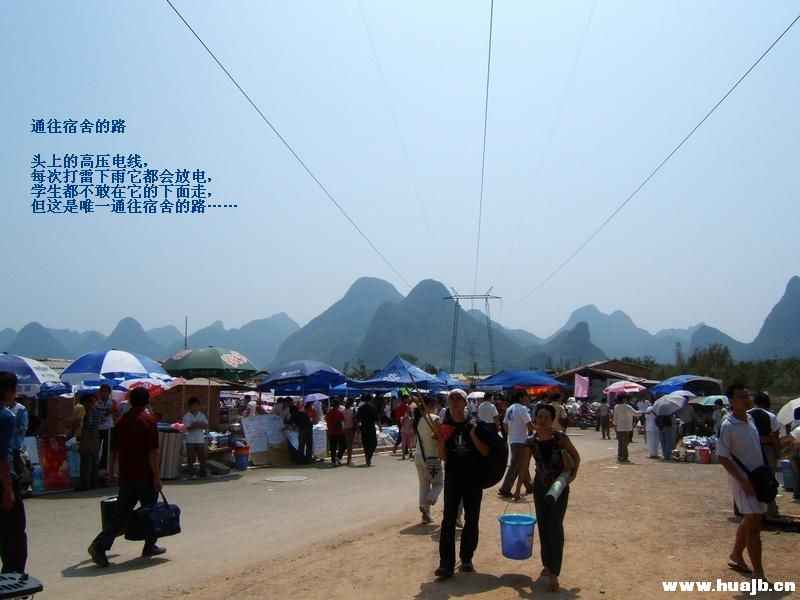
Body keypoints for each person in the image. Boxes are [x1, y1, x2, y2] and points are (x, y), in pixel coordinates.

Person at [88, 387, 165, 567]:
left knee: (120, 514)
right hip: (145, 475)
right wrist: (157, 477)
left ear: (130, 401)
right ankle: (149, 545)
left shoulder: (122, 421)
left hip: (126, 475)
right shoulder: (148, 421)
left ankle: (99, 546)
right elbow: (153, 452)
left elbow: (114, 450)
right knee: (150, 511)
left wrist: (112, 471)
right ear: (147, 401)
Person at [435, 389, 489, 579]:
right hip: (453, 477)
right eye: (452, 399)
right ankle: (446, 565)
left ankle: (466, 558)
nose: (455, 402)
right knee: (448, 520)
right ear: (448, 403)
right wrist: (441, 441)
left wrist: (473, 435)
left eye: (459, 399)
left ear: (466, 403)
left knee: (471, 519)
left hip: (474, 478)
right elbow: (443, 457)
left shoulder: (476, 424)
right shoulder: (444, 426)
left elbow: (485, 452)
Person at [526, 403, 581, 593]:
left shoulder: (560, 438)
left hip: (559, 489)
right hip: (540, 489)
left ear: (552, 420)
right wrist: (524, 486)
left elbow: (576, 457)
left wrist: (571, 477)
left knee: (555, 527)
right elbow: (523, 465)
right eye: (539, 416)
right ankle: (548, 565)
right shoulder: (531, 441)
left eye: (546, 417)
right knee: (543, 526)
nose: (542, 420)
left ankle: (554, 573)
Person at [717, 384, 767, 580]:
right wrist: (742, 481)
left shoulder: (751, 419)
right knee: (754, 524)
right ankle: (759, 572)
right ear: (731, 401)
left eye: (747, 395)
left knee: (752, 519)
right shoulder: (728, 425)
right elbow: (722, 457)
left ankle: (736, 555)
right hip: (743, 481)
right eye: (741, 397)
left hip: (758, 478)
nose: (747, 399)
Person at [0, 372, 27, 574]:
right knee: (15, 535)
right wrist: (8, 489)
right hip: (4, 479)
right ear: (9, 391)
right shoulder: (6, 416)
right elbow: (2, 457)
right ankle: (14, 578)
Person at [748, 392, 781, 517]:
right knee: (768, 480)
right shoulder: (771, 416)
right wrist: (778, 453)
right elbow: (775, 438)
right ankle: (770, 510)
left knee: (750, 479)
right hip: (767, 450)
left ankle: (749, 510)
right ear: (767, 403)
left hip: (749, 450)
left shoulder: (746, 415)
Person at [498, 391, 535, 498]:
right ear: (521, 397)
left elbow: (505, 424)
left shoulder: (510, 408)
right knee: (515, 465)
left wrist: (511, 433)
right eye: (526, 397)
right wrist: (536, 431)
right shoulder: (522, 409)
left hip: (513, 440)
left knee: (521, 464)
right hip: (521, 441)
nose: (528, 399)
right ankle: (505, 488)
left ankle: (529, 486)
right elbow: (529, 425)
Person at [413, 395, 443, 524]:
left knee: (424, 485)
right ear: (431, 405)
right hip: (431, 457)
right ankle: (428, 501)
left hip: (419, 456)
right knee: (438, 483)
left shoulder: (418, 419)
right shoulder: (435, 419)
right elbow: (440, 437)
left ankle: (425, 513)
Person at [76, 393, 101, 491]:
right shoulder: (96, 411)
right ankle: (94, 483)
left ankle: (85, 485)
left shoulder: (87, 411)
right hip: (95, 437)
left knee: (86, 462)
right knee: (94, 462)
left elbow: (88, 424)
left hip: (88, 438)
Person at [183, 397, 209, 478]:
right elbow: (186, 428)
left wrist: (196, 425)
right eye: (193, 405)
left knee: (202, 457)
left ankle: (203, 472)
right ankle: (191, 473)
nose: (195, 407)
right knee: (191, 458)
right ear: (190, 406)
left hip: (200, 439)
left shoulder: (201, 415)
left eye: (196, 405)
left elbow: (205, 425)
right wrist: (196, 425)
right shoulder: (186, 416)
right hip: (190, 440)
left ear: (199, 406)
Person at [95, 383, 116, 481]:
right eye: (102, 391)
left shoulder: (112, 402)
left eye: (106, 392)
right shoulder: (96, 402)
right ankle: (95, 468)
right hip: (98, 428)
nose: (104, 393)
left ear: (109, 393)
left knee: (106, 450)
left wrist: (111, 411)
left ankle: (104, 469)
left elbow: (115, 412)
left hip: (108, 427)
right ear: (99, 392)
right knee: (96, 448)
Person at [613, 395, 640, 463]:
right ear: (623, 399)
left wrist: (615, 426)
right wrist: (643, 411)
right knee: (625, 443)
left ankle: (620, 456)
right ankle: (624, 457)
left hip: (619, 427)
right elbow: (636, 413)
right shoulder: (628, 406)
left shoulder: (616, 407)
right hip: (626, 427)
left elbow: (615, 418)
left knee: (620, 443)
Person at [356, 396, 379, 467]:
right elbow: (376, 419)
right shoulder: (373, 408)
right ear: (370, 400)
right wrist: (380, 426)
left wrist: (358, 428)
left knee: (366, 444)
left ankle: (367, 457)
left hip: (363, 428)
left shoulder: (360, 408)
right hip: (371, 428)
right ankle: (369, 456)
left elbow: (357, 419)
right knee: (374, 443)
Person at [325, 399, 346, 466]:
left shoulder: (328, 413)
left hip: (331, 432)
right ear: (338, 405)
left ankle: (333, 461)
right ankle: (338, 457)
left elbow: (326, 420)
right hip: (339, 432)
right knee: (343, 445)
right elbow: (342, 423)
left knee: (333, 447)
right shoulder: (339, 413)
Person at [341, 399, 356, 465]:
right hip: (351, 429)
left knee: (347, 444)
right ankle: (349, 459)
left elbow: (342, 421)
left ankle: (348, 459)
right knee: (350, 445)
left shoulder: (343, 412)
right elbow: (354, 420)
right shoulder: (352, 411)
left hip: (345, 429)